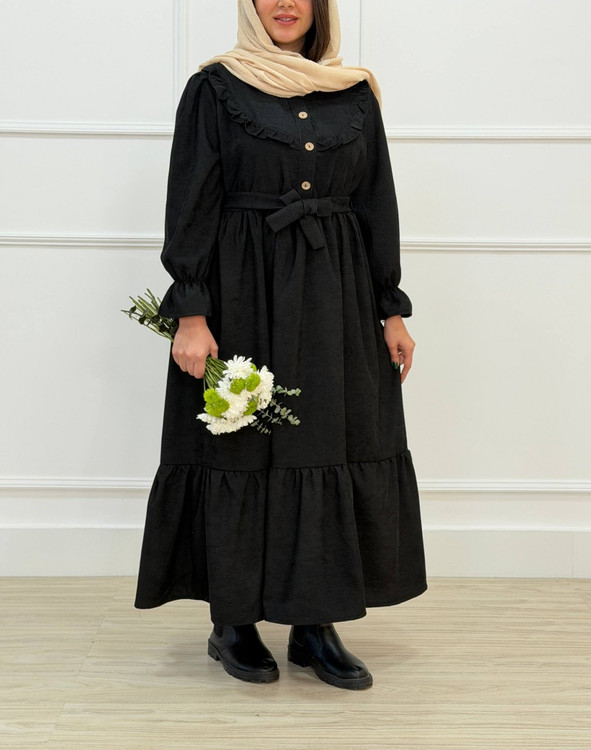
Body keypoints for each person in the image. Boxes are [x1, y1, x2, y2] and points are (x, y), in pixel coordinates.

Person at [134, 0, 427, 691]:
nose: (285, 3)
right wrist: (191, 312)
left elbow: (376, 202)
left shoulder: (354, 92)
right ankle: (233, 621)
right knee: (240, 443)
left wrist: (391, 309)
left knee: (328, 440)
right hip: (242, 290)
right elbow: (191, 202)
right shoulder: (215, 89)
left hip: (336, 295)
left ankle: (314, 624)